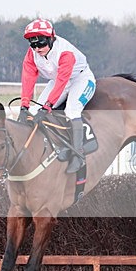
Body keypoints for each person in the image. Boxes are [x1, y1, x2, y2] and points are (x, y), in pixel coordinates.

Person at [19, 19, 96, 173]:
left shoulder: (65, 52)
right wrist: (24, 105)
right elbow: (28, 79)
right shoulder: (31, 54)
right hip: (59, 80)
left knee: (71, 111)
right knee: (34, 112)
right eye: (33, 45)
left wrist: (47, 106)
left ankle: (78, 155)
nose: (37, 49)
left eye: (41, 44)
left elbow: (62, 81)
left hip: (80, 79)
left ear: (50, 38)